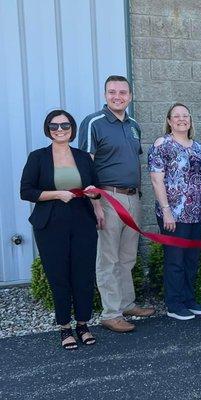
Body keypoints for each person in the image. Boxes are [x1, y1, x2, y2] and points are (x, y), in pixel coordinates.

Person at [79, 75, 155, 333]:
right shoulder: (94, 122)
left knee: (127, 257)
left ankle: (126, 303)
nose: (117, 96)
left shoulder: (134, 125)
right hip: (108, 198)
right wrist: (96, 203)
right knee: (108, 258)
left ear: (130, 96)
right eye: (112, 92)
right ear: (105, 95)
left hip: (132, 197)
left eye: (123, 92)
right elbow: (85, 164)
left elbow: (134, 161)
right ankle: (111, 313)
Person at [21, 110, 100, 349]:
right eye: (54, 126)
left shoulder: (84, 157)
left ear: (72, 128)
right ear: (48, 130)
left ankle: (83, 324)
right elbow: (26, 191)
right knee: (59, 276)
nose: (60, 129)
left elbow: (95, 187)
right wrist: (57, 194)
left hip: (82, 219)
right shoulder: (38, 157)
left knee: (83, 275)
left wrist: (96, 198)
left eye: (65, 125)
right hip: (51, 221)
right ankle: (65, 327)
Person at [148, 103, 201, 321]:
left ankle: (188, 299)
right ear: (169, 121)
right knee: (175, 259)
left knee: (191, 259)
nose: (181, 119)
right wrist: (166, 211)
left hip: (196, 213)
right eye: (176, 116)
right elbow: (156, 179)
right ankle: (174, 304)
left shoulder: (199, 148)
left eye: (185, 115)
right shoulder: (162, 144)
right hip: (173, 215)